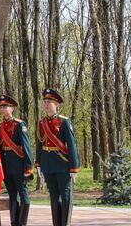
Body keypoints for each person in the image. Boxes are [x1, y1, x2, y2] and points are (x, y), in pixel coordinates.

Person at [35, 88, 79, 226]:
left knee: (65, 197)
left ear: (57, 104)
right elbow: (39, 145)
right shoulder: (41, 123)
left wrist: (74, 167)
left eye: (50, 102)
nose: (46, 104)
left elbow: (71, 145)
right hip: (47, 164)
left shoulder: (64, 122)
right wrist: (38, 164)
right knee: (53, 197)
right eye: (45, 101)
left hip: (62, 164)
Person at [0, 94, 33, 226]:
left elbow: (26, 146)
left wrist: (28, 166)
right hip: (6, 166)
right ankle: (14, 222)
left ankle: (22, 222)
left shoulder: (19, 124)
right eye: (1, 107)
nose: (3, 109)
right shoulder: (0, 126)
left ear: (12, 108)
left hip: (19, 164)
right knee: (12, 195)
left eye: (5, 106)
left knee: (23, 194)